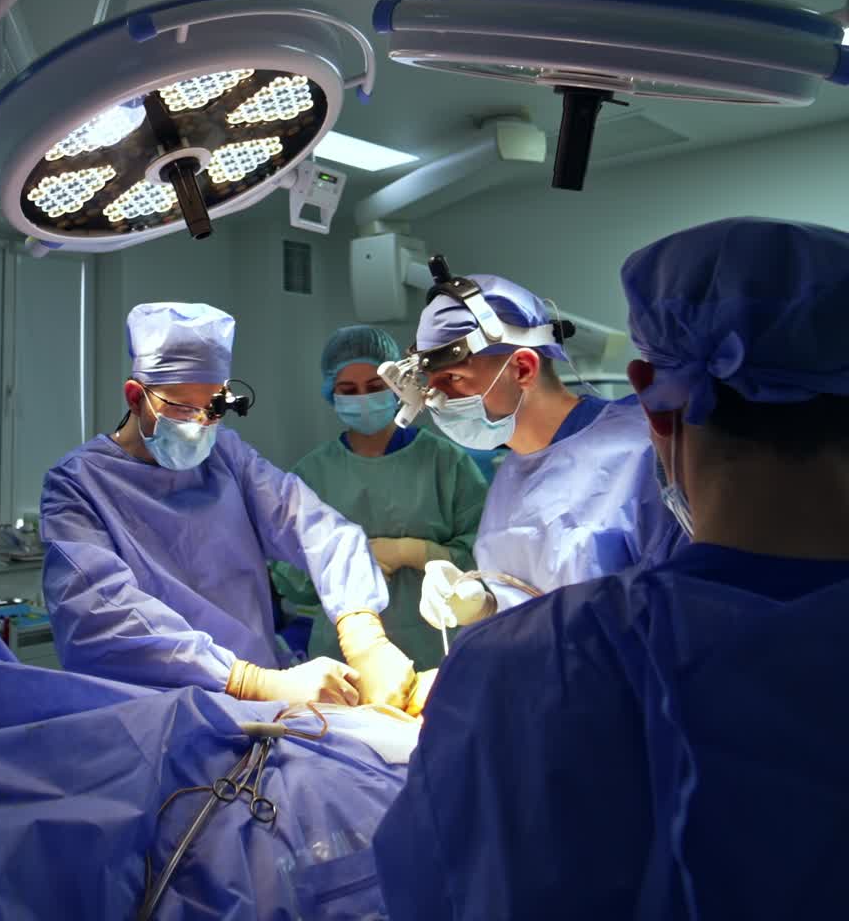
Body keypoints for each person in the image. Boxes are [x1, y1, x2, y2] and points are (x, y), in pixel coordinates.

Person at [374, 217, 849, 919]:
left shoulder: (519, 672)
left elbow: (436, 885)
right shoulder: (510, 495)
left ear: (652, 402)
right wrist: (483, 604)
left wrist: (506, 662)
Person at [40, 302, 421, 711]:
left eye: (214, 408)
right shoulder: (79, 484)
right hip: (156, 715)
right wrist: (246, 680)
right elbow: (100, 619)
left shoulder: (226, 457)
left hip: (266, 709)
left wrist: (364, 636)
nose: (200, 424)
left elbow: (316, 528)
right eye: (182, 408)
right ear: (136, 397)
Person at [409, 266, 683, 630]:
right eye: (432, 384)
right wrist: (487, 605)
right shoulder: (510, 476)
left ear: (522, 369)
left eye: (454, 379)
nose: (437, 400)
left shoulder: (643, 453)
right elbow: (535, 598)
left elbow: (682, 607)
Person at [271, 324, 488, 670]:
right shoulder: (310, 475)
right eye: (348, 389)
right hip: (343, 658)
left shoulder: (445, 463)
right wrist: (343, 563)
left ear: (397, 387)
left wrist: (417, 553)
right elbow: (290, 577)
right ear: (331, 392)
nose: (362, 398)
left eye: (375, 387)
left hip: (437, 648)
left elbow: (486, 558)